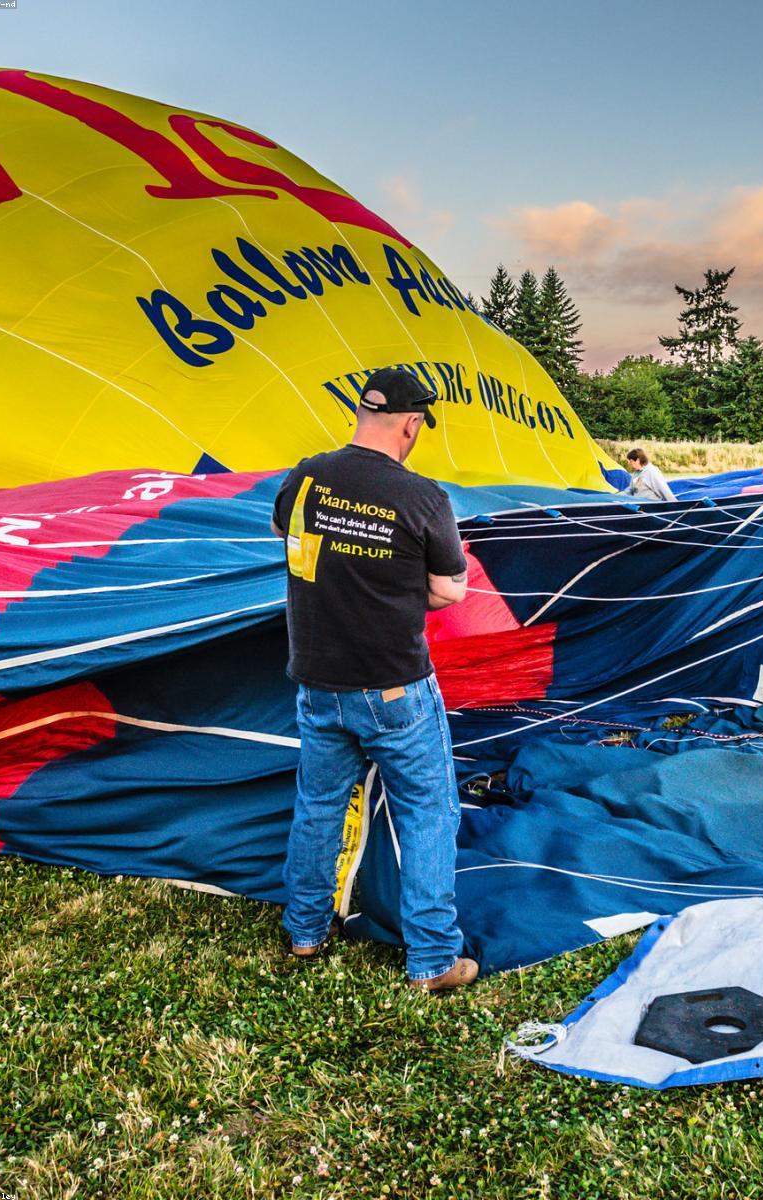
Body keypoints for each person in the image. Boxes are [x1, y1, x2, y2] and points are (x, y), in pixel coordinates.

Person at [272, 366, 479, 992]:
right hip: (393, 689)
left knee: (318, 807)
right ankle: (434, 959)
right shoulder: (423, 497)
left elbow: (286, 533)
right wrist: (390, 575)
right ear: (413, 424)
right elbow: (449, 589)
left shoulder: (308, 474)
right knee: (427, 813)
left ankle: (305, 930)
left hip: (317, 680)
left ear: (361, 413)